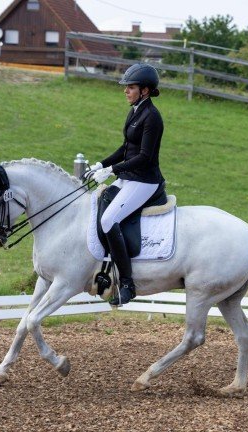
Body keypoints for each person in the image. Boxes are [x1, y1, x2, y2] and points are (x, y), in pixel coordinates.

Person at [85, 63, 165, 306]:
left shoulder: (152, 117)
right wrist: (101, 164)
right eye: (126, 87)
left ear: (145, 91)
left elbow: (144, 157)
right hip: (129, 176)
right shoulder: (134, 111)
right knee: (96, 202)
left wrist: (112, 171)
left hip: (144, 180)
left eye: (130, 87)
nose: (125, 91)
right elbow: (125, 149)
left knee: (109, 220)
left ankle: (128, 284)